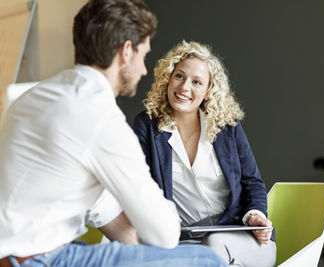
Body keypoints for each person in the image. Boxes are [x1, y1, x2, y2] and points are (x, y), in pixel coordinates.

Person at [0, 1, 227, 266]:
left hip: (17, 253)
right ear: (126, 51)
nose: (144, 70)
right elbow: (164, 234)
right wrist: (165, 214)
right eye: (143, 56)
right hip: (36, 260)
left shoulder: (35, 96)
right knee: (206, 260)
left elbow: (104, 212)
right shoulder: (98, 115)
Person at [131, 40, 276, 267]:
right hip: (184, 240)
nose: (185, 87)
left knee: (214, 245)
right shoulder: (147, 126)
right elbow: (138, 183)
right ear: (168, 78)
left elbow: (252, 182)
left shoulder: (227, 127)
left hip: (238, 238)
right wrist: (160, 211)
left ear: (208, 91)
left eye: (197, 82)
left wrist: (255, 216)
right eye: (179, 76)